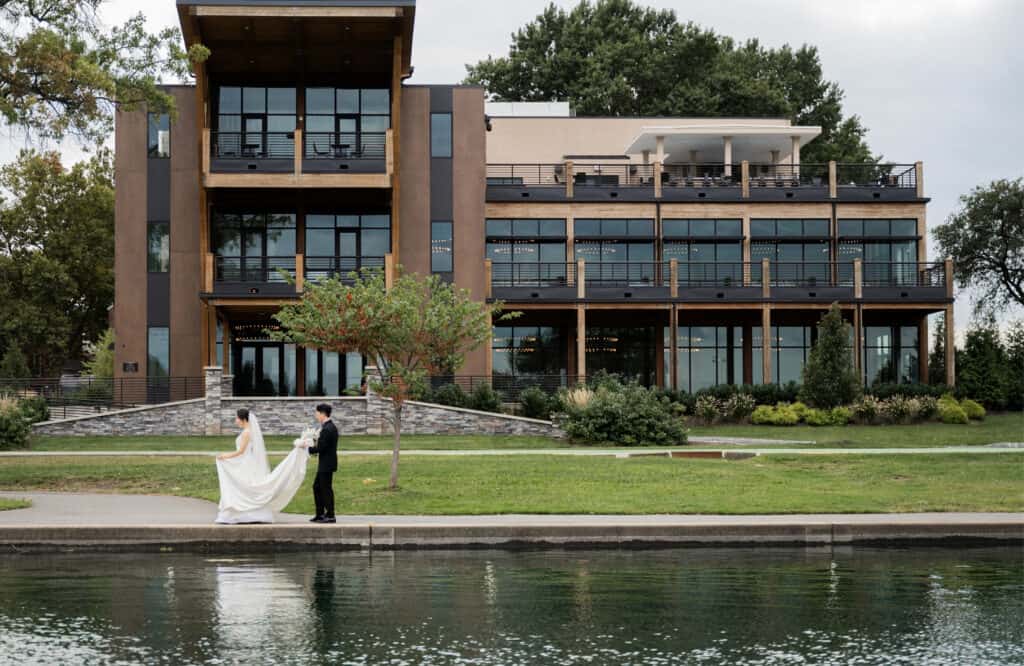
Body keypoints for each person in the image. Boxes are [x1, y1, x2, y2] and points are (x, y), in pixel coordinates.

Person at [214, 408, 310, 524]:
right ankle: (247, 514)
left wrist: (224, 456)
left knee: (245, 487)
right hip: (246, 461)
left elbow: (241, 451)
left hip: (246, 463)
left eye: (237, 418)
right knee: (246, 487)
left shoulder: (246, 432)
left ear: (243, 419)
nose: (236, 421)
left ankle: (243, 514)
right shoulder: (248, 431)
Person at [308, 403, 338, 523]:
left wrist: (306, 448)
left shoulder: (327, 429)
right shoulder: (327, 427)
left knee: (325, 489)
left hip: (327, 464)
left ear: (323, 414)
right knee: (317, 487)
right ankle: (320, 514)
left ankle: (330, 515)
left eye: (317, 413)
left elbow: (321, 448)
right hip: (325, 463)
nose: (316, 415)